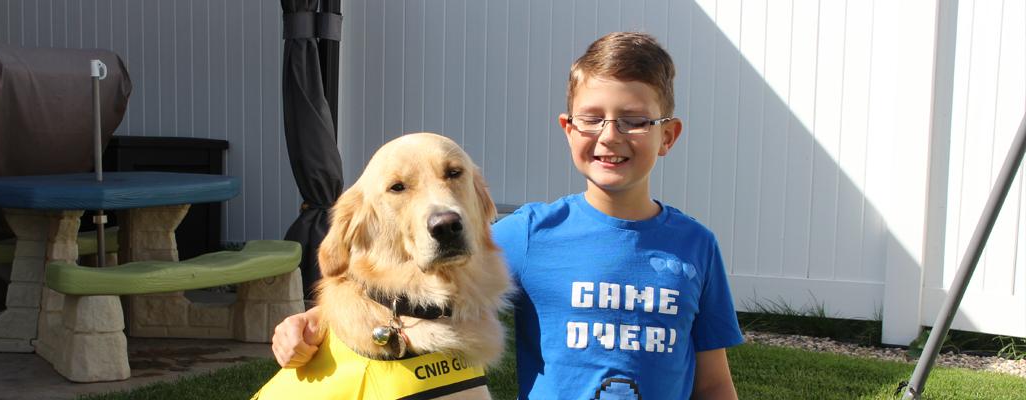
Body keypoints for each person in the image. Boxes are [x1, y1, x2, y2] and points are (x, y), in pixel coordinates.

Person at [272, 31, 743, 400]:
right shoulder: (529, 235)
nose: (610, 135)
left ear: (669, 135)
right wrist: (312, 320)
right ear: (568, 128)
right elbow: (406, 289)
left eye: (635, 120)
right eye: (592, 117)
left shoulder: (696, 246)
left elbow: (713, 384)